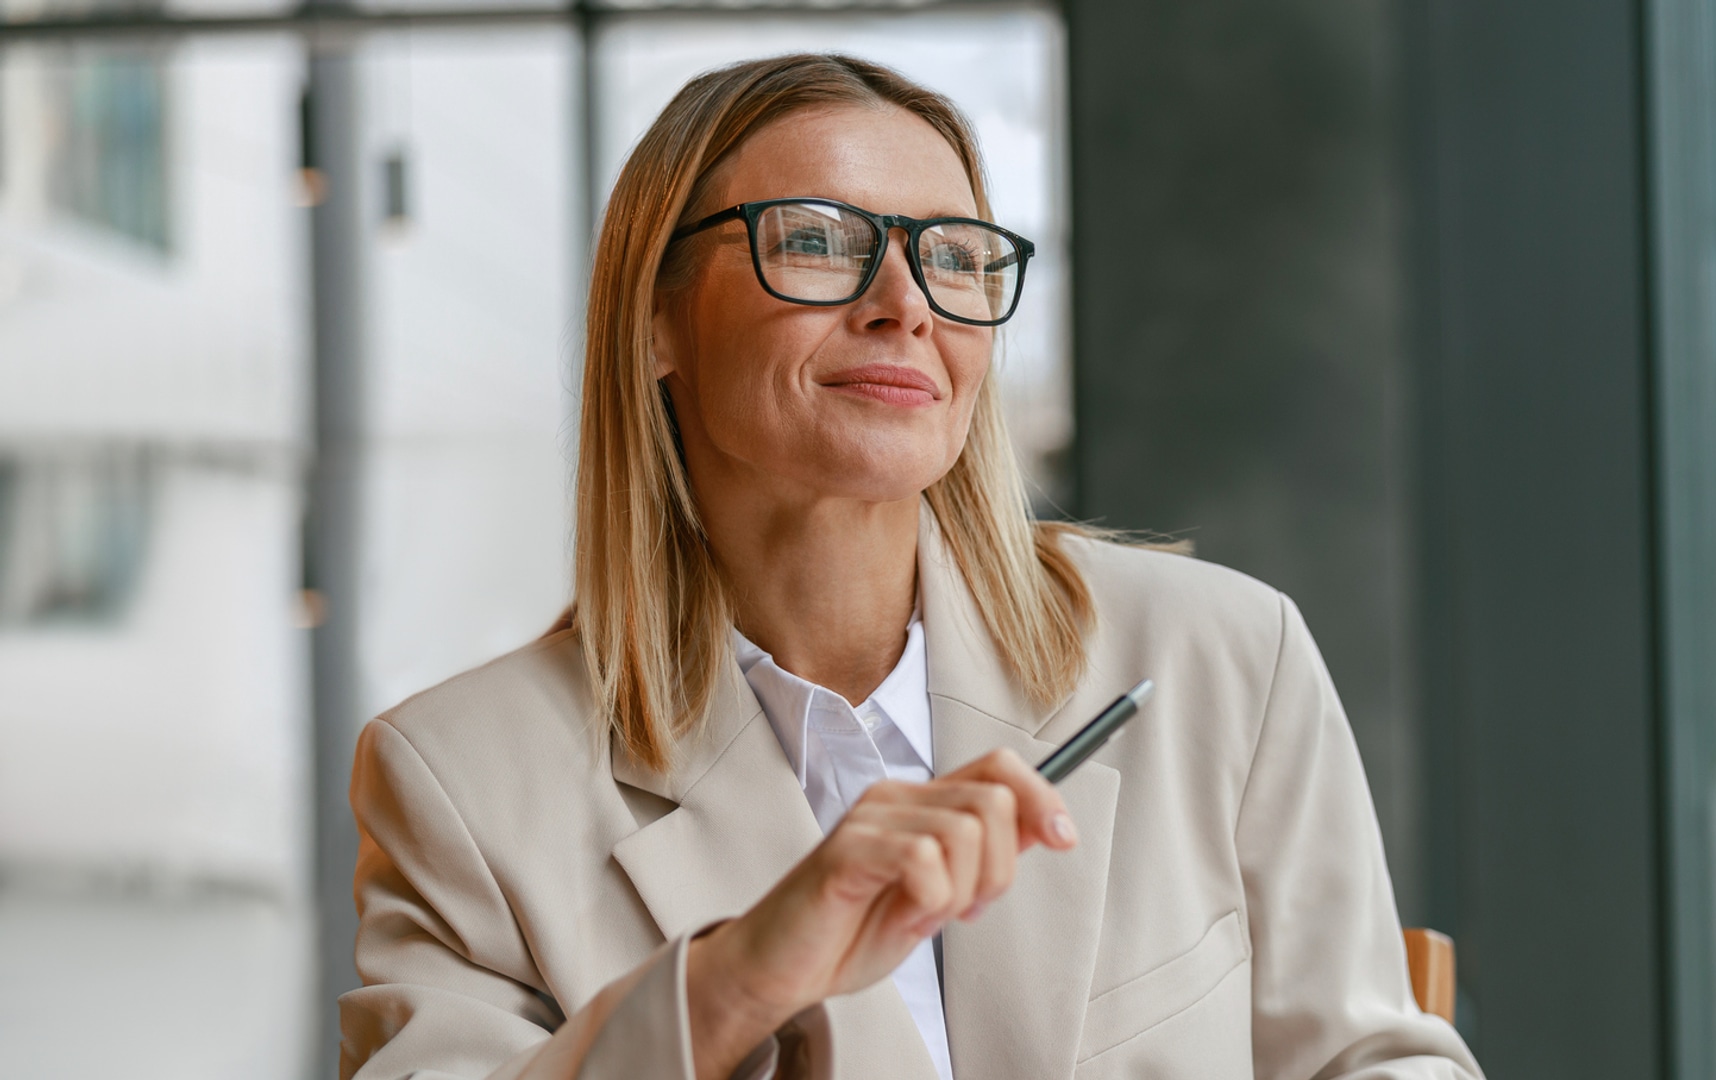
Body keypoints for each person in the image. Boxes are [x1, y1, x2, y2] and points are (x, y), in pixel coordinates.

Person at [339, 52, 1483, 1080]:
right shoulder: (462, 782)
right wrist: (738, 980)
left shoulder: (1217, 657)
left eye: (955, 258)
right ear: (655, 320)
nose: (906, 306)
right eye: (816, 242)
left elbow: (1375, 1060)